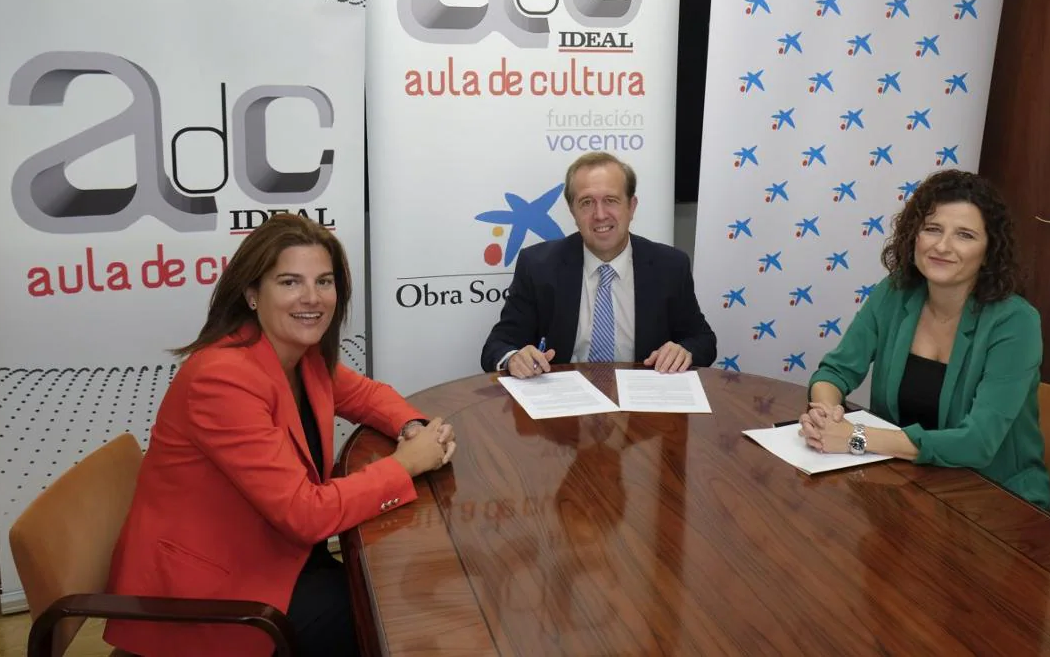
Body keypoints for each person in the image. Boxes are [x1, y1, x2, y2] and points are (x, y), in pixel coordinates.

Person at [104, 214, 456, 657]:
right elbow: (305, 514)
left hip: (278, 555)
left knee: (395, 592)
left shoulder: (299, 354)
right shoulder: (222, 378)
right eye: (290, 282)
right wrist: (406, 463)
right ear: (252, 294)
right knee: (392, 618)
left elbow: (368, 396)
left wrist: (412, 428)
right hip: (216, 592)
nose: (312, 298)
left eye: (324, 282)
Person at [801, 169, 1050, 509]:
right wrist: (825, 413)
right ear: (914, 235)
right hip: (906, 483)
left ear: (990, 250)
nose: (942, 246)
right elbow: (835, 371)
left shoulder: (1016, 322)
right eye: (932, 229)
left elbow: (977, 443)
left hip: (993, 498)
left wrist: (856, 438)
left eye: (965, 235)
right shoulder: (895, 293)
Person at [481, 152, 717, 378]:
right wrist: (514, 358)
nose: (600, 214)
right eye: (586, 203)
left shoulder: (670, 266)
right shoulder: (538, 266)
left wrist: (684, 351)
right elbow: (498, 345)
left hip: (644, 406)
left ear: (631, 206)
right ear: (572, 211)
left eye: (611, 200)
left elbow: (702, 340)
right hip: (563, 407)